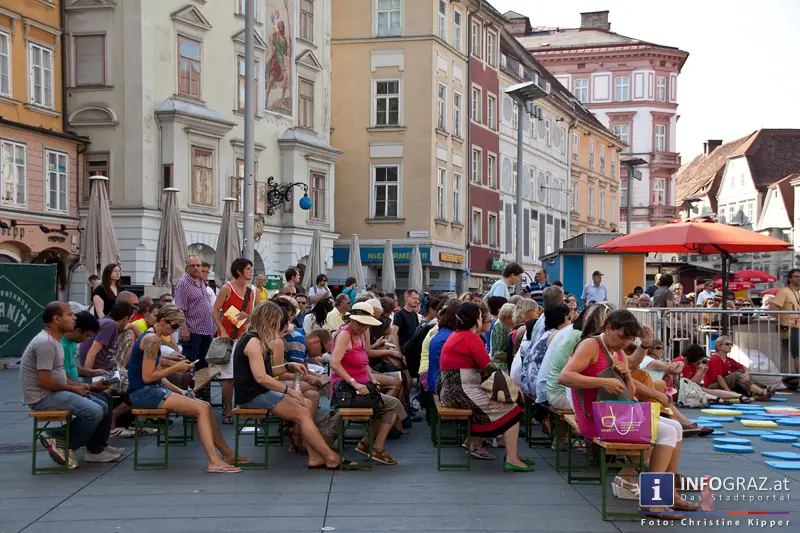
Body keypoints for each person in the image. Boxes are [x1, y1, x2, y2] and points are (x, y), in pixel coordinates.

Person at [559, 310, 696, 519]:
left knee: (675, 427)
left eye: (630, 339)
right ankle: (655, 501)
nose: (624, 344)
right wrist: (603, 381)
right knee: (665, 433)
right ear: (608, 328)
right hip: (598, 419)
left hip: (616, 415)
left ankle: (669, 493)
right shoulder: (591, 345)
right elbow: (565, 376)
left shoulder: (616, 349)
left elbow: (629, 393)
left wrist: (625, 376)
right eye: (623, 337)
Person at [22, 302, 121, 468]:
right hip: (43, 397)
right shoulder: (45, 343)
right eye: (69, 315)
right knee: (94, 411)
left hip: (53, 392)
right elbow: (45, 381)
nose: (74, 318)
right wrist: (74, 388)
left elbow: (63, 375)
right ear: (56, 319)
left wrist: (82, 386)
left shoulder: (55, 340)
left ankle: (61, 440)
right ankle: (63, 442)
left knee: (102, 405)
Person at [438, 303, 532, 471]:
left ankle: (509, 453)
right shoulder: (470, 337)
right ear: (476, 319)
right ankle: (512, 458)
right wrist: (513, 385)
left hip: (452, 390)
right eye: (481, 317)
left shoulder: (458, 335)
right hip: (461, 391)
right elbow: (488, 366)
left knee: (506, 403)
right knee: (513, 409)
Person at [330, 302, 407, 465]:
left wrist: (371, 377)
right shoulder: (344, 335)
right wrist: (355, 383)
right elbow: (334, 364)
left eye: (366, 325)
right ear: (351, 320)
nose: (363, 328)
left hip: (361, 387)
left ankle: (371, 445)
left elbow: (363, 361)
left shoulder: (357, 335)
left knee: (389, 406)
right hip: (347, 391)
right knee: (392, 404)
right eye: (360, 324)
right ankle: (372, 446)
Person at [212, 258, 257, 424]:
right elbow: (215, 311)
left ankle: (244, 405)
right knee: (228, 376)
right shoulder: (227, 288)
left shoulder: (251, 291)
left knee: (246, 374)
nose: (251, 272)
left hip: (244, 337)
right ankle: (228, 410)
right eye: (248, 269)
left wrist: (249, 317)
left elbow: (253, 314)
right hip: (228, 337)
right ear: (239, 271)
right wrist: (221, 329)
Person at [539, 304, 610, 409]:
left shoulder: (574, 332)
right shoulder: (584, 339)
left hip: (549, 388)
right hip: (559, 393)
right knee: (610, 403)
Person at [174, 256, 217, 370]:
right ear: (187, 268)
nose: (196, 268)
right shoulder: (183, 284)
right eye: (192, 266)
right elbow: (180, 309)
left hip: (206, 329)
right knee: (190, 362)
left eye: (198, 265)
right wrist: (184, 329)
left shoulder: (201, 281)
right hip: (192, 330)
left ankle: (202, 387)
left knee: (203, 364)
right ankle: (189, 386)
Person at [520, 304, 571, 397]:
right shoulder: (557, 335)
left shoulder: (547, 333)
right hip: (541, 389)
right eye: (568, 318)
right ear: (559, 319)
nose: (571, 322)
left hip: (531, 384)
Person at [672, 344, 750, 403]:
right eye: (698, 359)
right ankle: (719, 399)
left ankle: (739, 396)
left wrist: (702, 373)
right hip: (681, 392)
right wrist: (700, 372)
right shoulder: (678, 363)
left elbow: (696, 383)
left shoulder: (692, 364)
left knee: (705, 390)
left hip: (691, 389)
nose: (698, 362)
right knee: (705, 391)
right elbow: (686, 386)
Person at [704, 335, 774, 399]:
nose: (730, 346)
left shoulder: (728, 360)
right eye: (727, 344)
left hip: (721, 383)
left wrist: (746, 373)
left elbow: (744, 367)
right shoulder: (715, 358)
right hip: (711, 386)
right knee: (736, 375)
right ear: (718, 346)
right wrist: (729, 393)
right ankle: (761, 392)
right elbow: (719, 378)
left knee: (741, 372)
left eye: (731, 344)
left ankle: (756, 392)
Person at [79, 300, 137, 372]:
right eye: (131, 319)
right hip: (97, 371)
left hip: (101, 367)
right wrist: (87, 375)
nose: (130, 321)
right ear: (126, 318)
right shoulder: (110, 325)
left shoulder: (106, 322)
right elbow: (92, 352)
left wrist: (133, 326)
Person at [769, 268, 800, 387]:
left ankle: (793, 380)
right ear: (790, 278)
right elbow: (772, 307)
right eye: (796, 276)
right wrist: (781, 320)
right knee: (797, 354)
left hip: (796, 327)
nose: (799, 278)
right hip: (790, 328)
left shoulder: (796, 292)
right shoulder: (784, 291)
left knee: (795, 354)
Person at [490, 303, 515, 371]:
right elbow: (497, 353)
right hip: (500, 366)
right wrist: (514, 358)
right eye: (512, 317)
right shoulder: (499, 327)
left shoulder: (508, 325)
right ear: (505, 317)